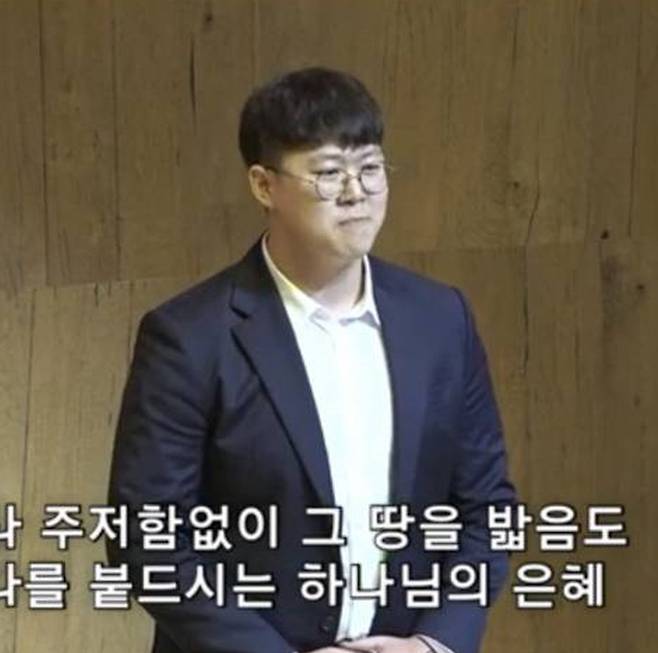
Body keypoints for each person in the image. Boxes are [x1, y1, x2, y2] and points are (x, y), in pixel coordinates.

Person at [107, 66, 516, 653]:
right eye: (328, 174)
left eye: (370, 168)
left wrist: (435, 643)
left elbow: (487, 508)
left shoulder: (440, 318)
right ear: (263, 185)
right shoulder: (189, 337)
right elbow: (149, 537)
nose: (356, 193)